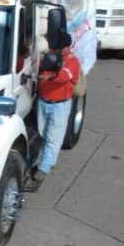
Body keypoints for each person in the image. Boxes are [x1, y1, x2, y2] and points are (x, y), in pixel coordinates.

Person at [25, 32, 81, 193]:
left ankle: (41, 174)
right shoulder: (49, 56)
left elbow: (63, 77)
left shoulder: (72, 62)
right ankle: (44, 163)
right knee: (41, 135)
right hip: (43, 102)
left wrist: (47, 72)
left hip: (59, 106)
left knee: (52, 140)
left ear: (67, 47)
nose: (55, 49)